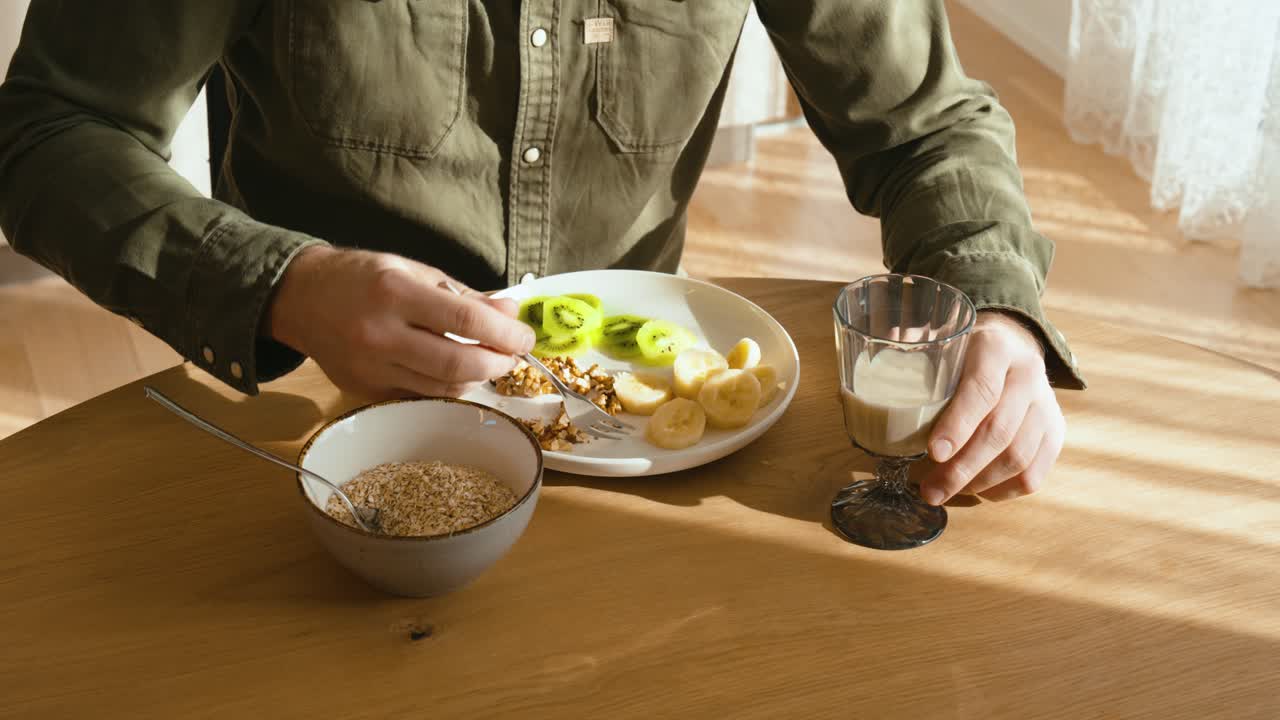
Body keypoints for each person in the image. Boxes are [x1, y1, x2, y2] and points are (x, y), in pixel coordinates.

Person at [0, 1, 1083, 505]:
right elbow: (46, 133)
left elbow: (928, 124)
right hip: (328, 439)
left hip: (649, 449)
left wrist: (992, 314)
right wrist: (281, 284)